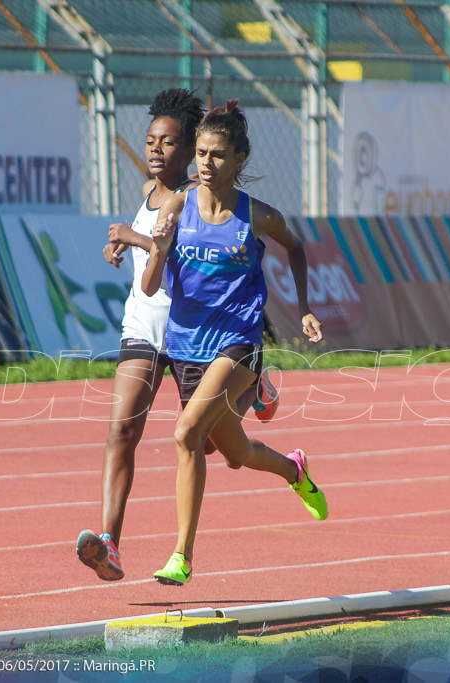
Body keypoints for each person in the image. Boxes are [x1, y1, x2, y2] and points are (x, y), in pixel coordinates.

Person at [75, 90, 278, 582]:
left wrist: (136, 238)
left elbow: (236, 247)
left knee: (211, 448)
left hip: (196, 332)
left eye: (168, 143)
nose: (156, 150)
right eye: (150, 141)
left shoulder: (200, 194)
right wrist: (122, 245)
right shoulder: (150, 192)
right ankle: (110, 544)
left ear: (192, 151)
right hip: (146, 324)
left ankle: (253, 385)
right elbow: (152, 259)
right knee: (122, 429)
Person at [141, 100, 327, 586]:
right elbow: (148, 285)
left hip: (238, 341)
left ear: (239, 159)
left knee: (185, 434)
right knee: (233, 454)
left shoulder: (258, 217)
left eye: (217, 155)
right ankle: (294, 471)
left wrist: (304, 306)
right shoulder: (177, 205)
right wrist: (157, 251)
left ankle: (181, 556)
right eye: (201, 152)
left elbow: (297, 248)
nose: (205, 163)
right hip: (186, 345)